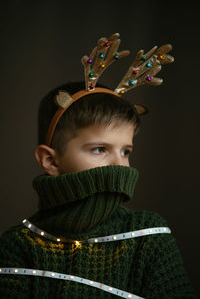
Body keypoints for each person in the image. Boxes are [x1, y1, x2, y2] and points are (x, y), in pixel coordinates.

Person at [0, 34, 197, 298]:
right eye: (99, 149)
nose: (119, 164)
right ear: (50, 160)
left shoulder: (148, 235)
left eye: (126, 151)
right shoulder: (18, 246)